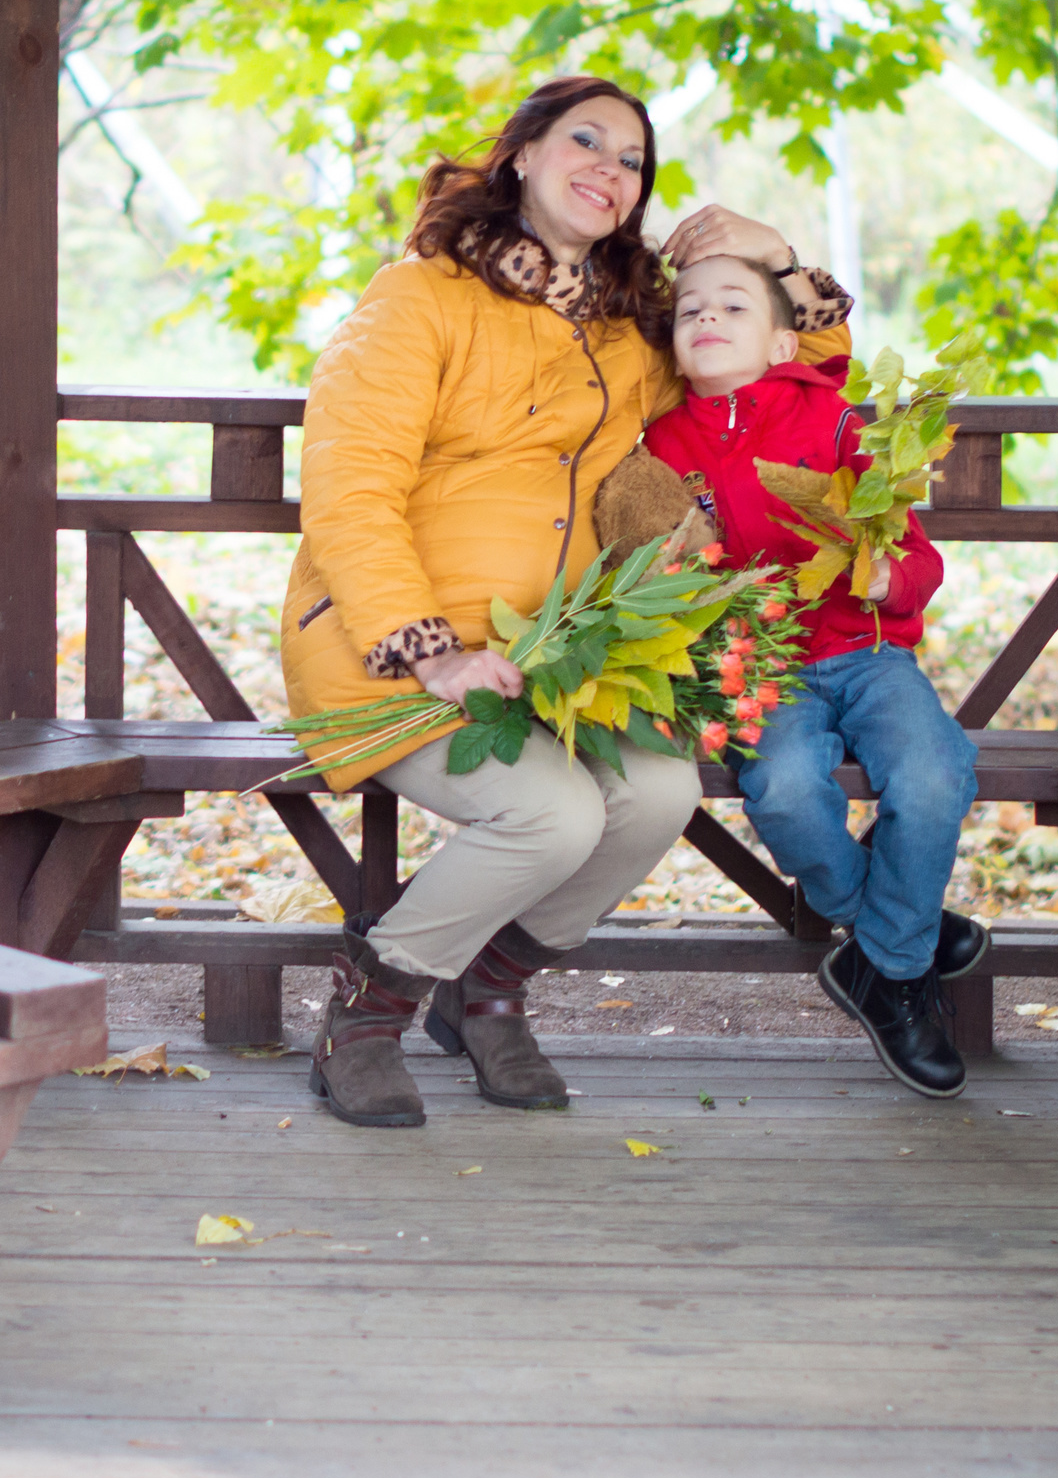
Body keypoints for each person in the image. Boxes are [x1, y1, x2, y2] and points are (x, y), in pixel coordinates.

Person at [282, 76, 854, 1127]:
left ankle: (488, 986)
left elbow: (798, 358)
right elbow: (347, 485)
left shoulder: (630, 326)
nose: (609, 167)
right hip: (396, 649)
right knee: (549, 812)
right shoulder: (418, 297)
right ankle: (367, 1013)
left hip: (559, 656)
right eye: (583, 141)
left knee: (654, 794)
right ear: (520, 156)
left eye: (631, 159)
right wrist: (431, 649)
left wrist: (773, 258)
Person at [640, 255, 986, 1098]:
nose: (708, 320)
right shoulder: (657, 447)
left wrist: (885, 577)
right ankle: (893, 940)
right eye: (689, 312)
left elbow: (915, 555)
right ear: (671, 345)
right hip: (761, 668)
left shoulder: (833, 426)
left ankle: (890, 970)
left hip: (866, 652)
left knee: (935, 775)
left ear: (784, 340)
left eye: (732, 307)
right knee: (789, 789)